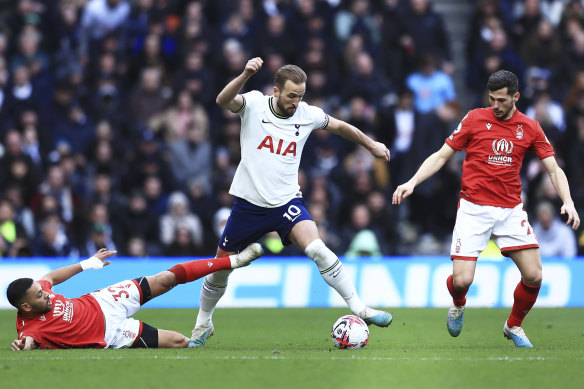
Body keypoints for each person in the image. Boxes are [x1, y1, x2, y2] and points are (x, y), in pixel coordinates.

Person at [190, 57, 393, 347]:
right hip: (248, 206)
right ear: (276, 91)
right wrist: (245, 74)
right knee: (220, 267)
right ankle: (203, 323)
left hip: (286, 204)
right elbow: (223, 101)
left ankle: (360, 308)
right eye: (291, 96)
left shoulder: (307, 114)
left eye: (301, 96)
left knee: (318, 249)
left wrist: (371, 144)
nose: (296, 102)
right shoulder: (255, 104)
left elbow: (340, 127)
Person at [392, 70, 580, 348]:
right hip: (473, 209)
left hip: (510, 211)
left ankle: (513, 325)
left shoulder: (530, 127)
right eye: (491, 99)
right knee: (462, 281)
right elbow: (442, 154)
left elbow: (553, 167)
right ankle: (458, 303)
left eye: (502, 100)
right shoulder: (474, 118)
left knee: (534, 275)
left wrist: (568, 201)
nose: (495, 105)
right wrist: (412, 181)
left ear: (516, 97)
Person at [8, 244, 263, 350]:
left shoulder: (40, 292)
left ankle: (232, 260)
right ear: (26, 306)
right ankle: (200, 337)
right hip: (112, 334)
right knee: (178, 341)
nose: (47, 295)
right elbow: (29, 341)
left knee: (165, 279)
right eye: (41, 296)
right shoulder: (32, 330)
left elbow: (50, 277)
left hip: (103, 300)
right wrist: (23, 345)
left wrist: (86, 264)